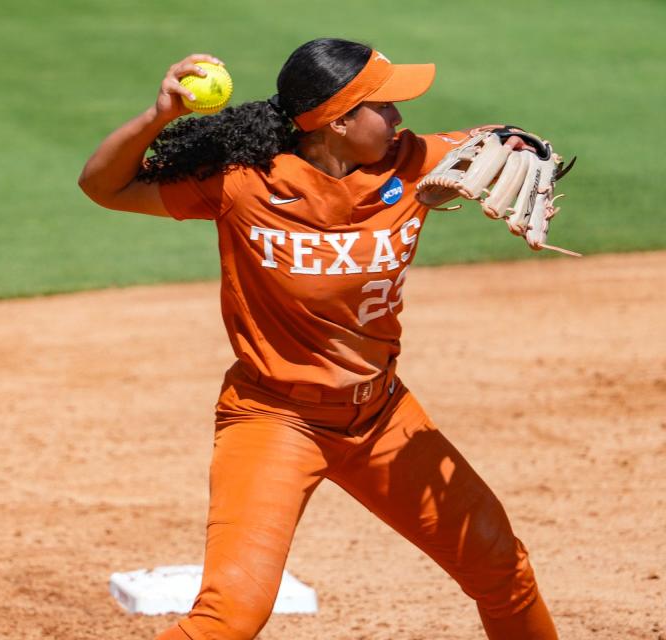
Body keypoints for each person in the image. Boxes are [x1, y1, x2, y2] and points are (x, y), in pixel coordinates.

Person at [78, 38, 559, 640]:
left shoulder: (413, 162)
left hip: (382, 418)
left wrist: (522, 141)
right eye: (383, 107)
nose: (399, 119)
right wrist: (160, 117)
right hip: (275, 420)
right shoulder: (242, 185)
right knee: (230, 618)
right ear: (336, 121)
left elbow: (494, 139)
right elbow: (103, 187)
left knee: (502, 571)